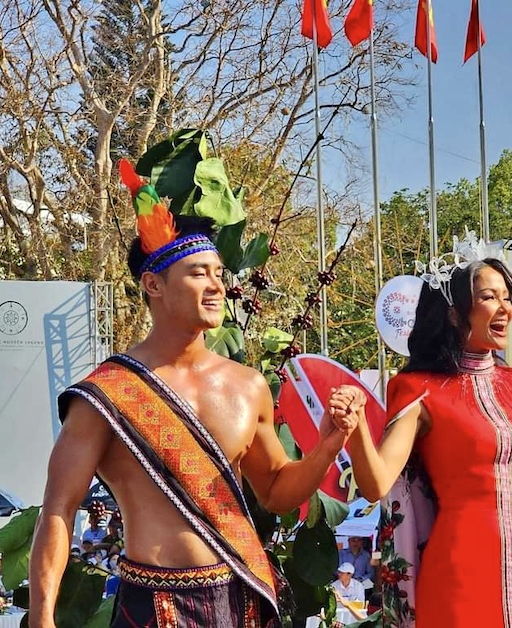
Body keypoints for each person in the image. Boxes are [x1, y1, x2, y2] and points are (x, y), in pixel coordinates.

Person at [29, 158, 357, 628]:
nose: (216, 285)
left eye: (219, 273)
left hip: (239, 596)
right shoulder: (106, 395)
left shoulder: (248, 386)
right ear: (154, 284)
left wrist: (327, 448)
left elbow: (278, 493)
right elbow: (59, 507)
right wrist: (42, 617)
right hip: (151, 603)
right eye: (199, 273)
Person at [327, 234, 512, 627]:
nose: (505, 308)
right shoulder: (419, 389)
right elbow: (377, 483)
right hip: (460, 574)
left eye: (507, 297)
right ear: (453, 313)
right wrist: (358, 422)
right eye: (489, 298)